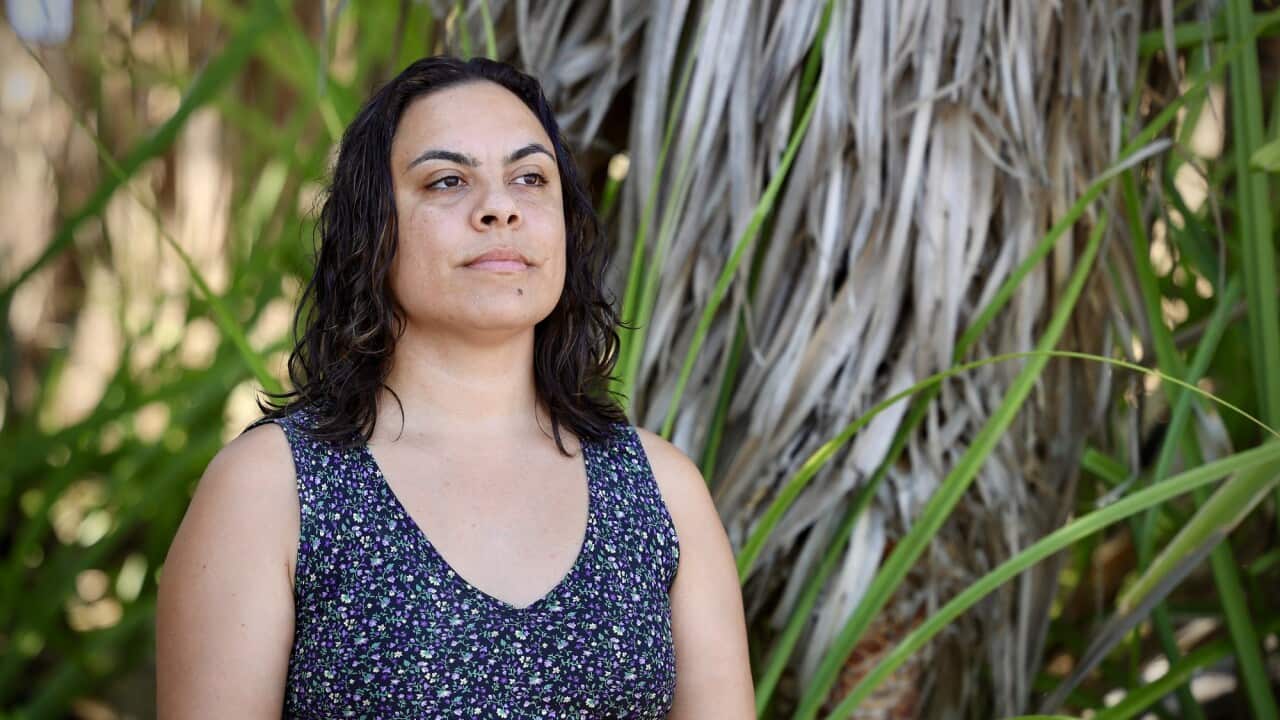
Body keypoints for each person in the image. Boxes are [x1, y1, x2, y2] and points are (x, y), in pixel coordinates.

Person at [155, 55, 754, 718]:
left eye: (530, 178)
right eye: (446, 181)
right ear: (372, 231)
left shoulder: (661, 489)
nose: (500, 208)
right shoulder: (271, 490)